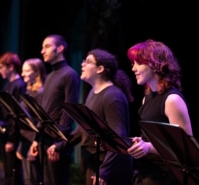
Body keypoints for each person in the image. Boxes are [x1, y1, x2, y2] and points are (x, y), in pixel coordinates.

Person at [47, 48, 134, 185]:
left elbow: (118, 137)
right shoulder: (93, 92)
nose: (82, 64)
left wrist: (105, 171)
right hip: (94, 164)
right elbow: (84, 129)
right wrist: (61, 145)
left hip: (110, 169)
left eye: (88, 62)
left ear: (100, 69)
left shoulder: (113, 96)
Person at [126, 39, 193, 185]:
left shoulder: (172, 100)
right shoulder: (147, 98)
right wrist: (140, 143)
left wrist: (148, 147)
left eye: (138, 63)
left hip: (166, 178)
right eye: (133, 64)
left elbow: (186, 147)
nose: (133, 69)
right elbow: (152, 139)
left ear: (155, 64)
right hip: (148, 174)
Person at [29, 34, 80, 185]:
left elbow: (69, 110)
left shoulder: (69, 74)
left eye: (47, 46)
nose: (42, 51)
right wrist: (36, 139)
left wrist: (59, 144)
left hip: (55, 142)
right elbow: (44, 110)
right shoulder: (50, 76)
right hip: (44, 139)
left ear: (60, 48)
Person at [0, 51, 26, 185]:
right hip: (6, 133)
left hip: (13, 137)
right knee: (8, 173)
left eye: (1, 67)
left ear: (11, 67)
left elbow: (16, 115)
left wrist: (12, 140)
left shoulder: (19, 85)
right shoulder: (8, 85)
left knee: (14, 174)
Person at [16, 58, 47, 185]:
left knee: (33, 180)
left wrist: (33, 144)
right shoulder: (28, 91)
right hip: (25, 141)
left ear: (37, 72)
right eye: (23, 71)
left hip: (33, 143)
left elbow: (39, 122)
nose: (22, 74)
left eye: (27, 71)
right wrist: (20, 145)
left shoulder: (41, 94)